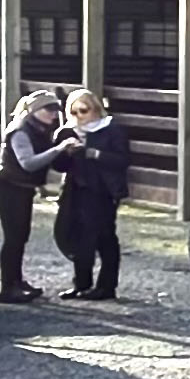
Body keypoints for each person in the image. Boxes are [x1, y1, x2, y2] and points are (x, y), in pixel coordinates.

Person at [0, 89, 81, 304]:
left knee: (20, 237)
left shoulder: (39, 129)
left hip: (22, 188)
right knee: (13, 238)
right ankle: (7, 288)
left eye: (55, 109)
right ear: (34, 110)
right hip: (10, 187)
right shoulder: (21, 131)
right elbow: (28, 163)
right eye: (48, 109)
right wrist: (59, 149)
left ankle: (16, 281)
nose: (53, 114)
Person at [53, 87, 131, 300]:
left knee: (105, 238)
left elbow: (122, 160)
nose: (79, 117)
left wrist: (94, 154)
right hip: (75, 190)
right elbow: (58, 166)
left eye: (84, 110)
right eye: (74, 112)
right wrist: (63, 151)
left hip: (103, 191)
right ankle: (81, 284)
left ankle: (106, 286)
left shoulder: (111, 129)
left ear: (95, 110)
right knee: (78, 236)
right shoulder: (66, 132)